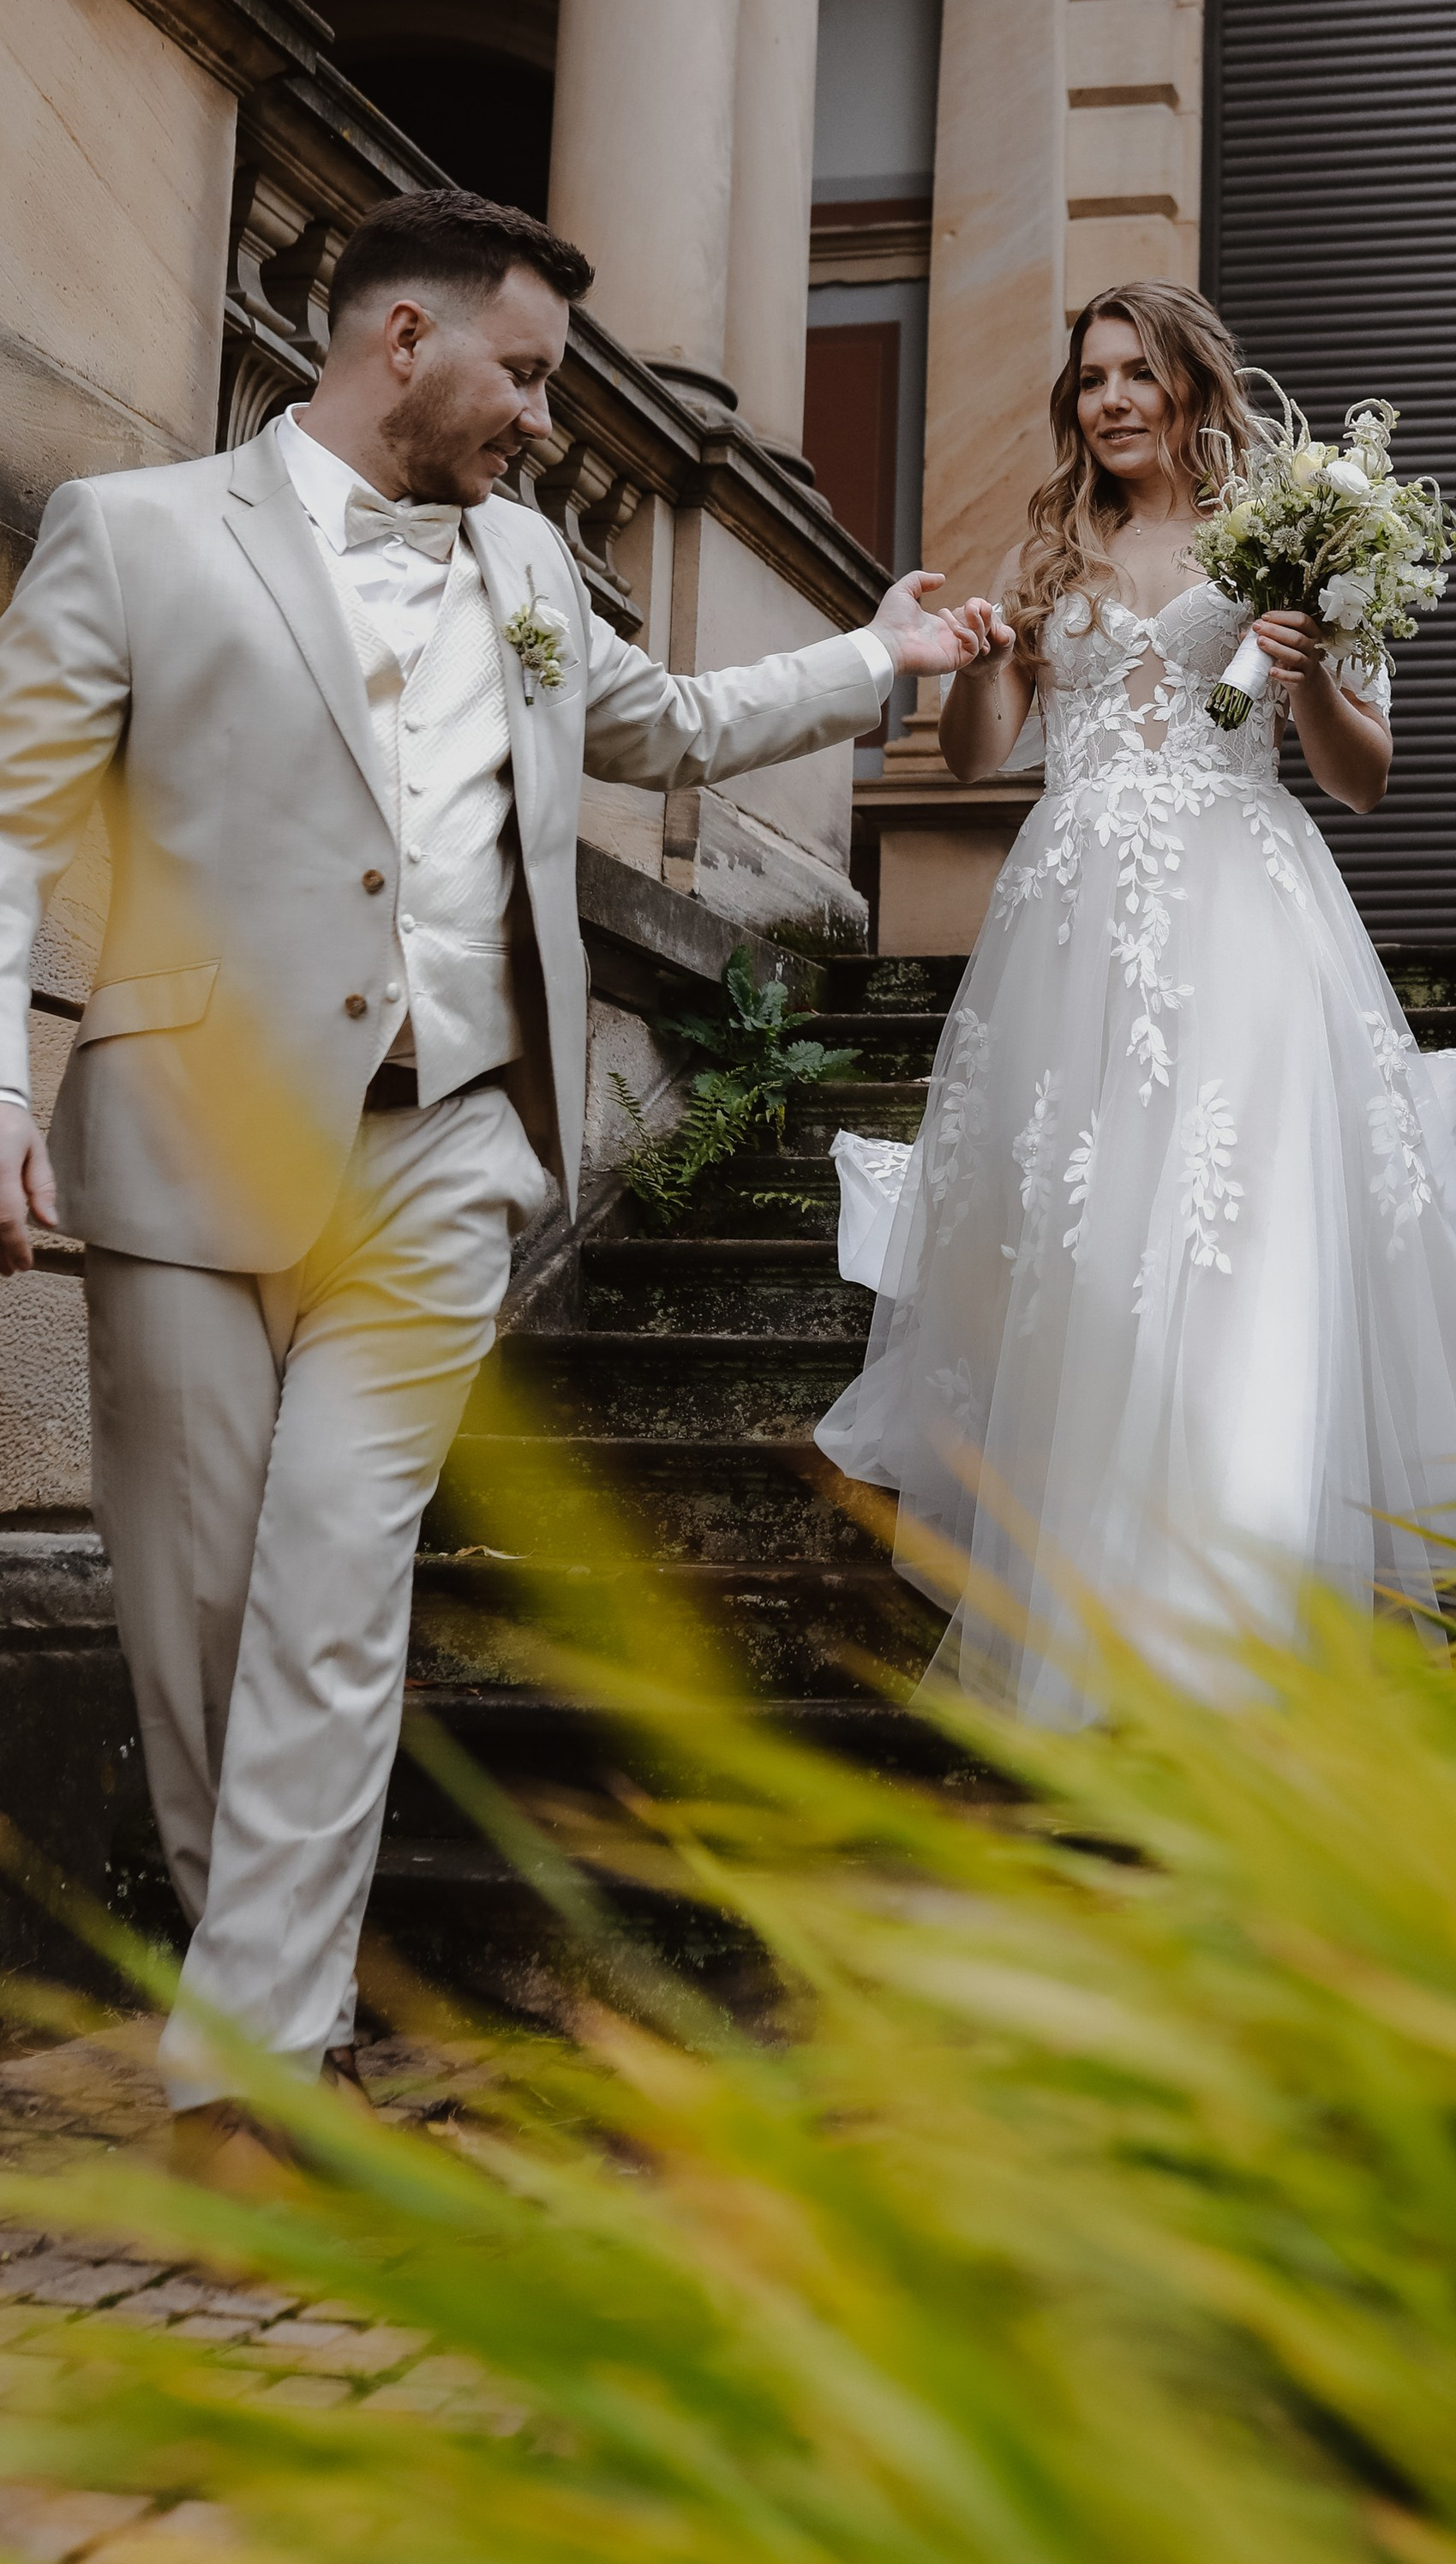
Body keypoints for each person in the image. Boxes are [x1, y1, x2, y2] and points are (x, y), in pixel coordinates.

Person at [0, 187, 990, 2178]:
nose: (543, 418)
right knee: (197, 1617)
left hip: (451, 1142)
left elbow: (671, 723)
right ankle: (259, 1989)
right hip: (187, 1132)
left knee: (338, 1589)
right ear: (401, 344)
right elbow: (20, 820)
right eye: (522, 374)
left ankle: (243, 2082)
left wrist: (874, 659)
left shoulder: (531, 562)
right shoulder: (135, 536)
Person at [817, 282, 1456, 1724]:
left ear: (1194, 385)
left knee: (1228, 1227)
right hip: (1069, 918)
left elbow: (1362, 775)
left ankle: (1242, 1597)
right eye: (1090, 380)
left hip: (1243, 907)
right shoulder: (1054, 545)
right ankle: (1106, 1591)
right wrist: (992, 668)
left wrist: (1312, 676)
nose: (1113, 400)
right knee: (1086, 1248)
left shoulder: (1292, 532)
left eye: (1139, 374)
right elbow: (975, 759)